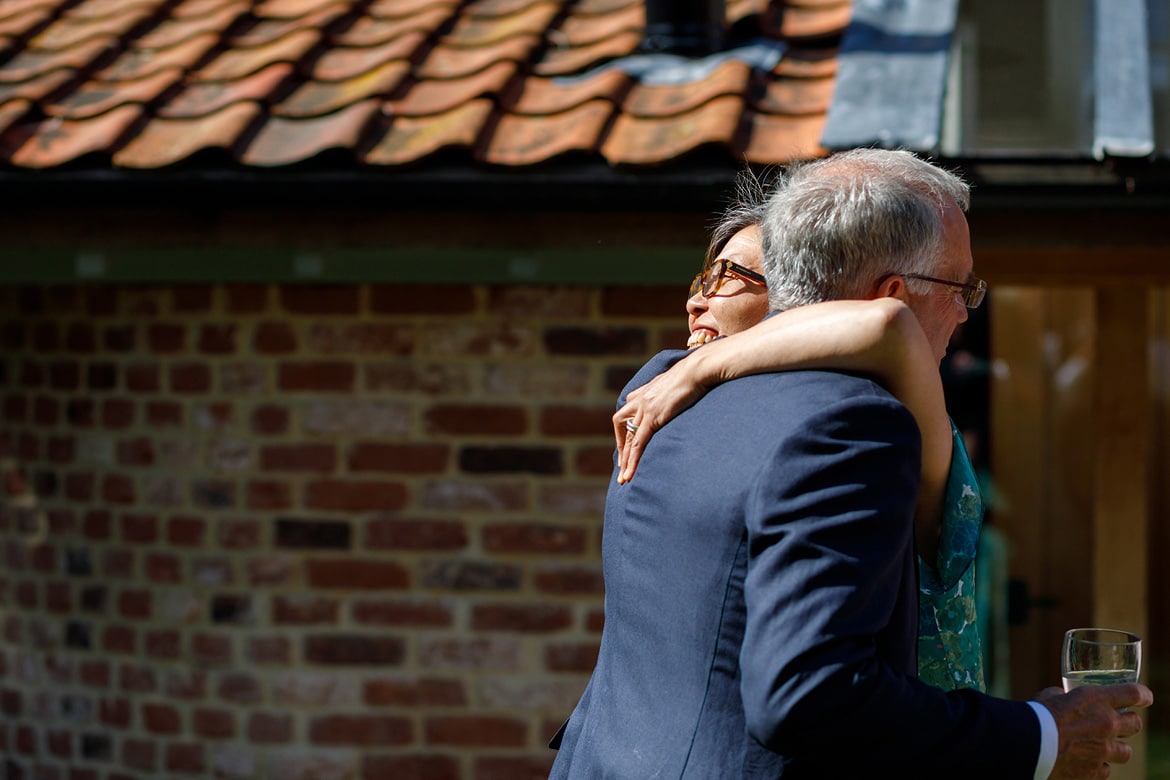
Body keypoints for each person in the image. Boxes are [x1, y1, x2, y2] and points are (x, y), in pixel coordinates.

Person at [548, 148, 1150, 779]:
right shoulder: (856, 428)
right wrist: (1041, 734)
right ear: (891, 292)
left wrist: (702, 364)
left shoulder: (658, 392)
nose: (967, 311)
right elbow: (810, 696)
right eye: (961, 287)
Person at [614, 168, 982, 691]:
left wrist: (703, 366)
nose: (697, 299)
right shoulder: (668, 395)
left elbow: (887, 325)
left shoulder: (892, 415)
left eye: (732, 276)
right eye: (705, 277)